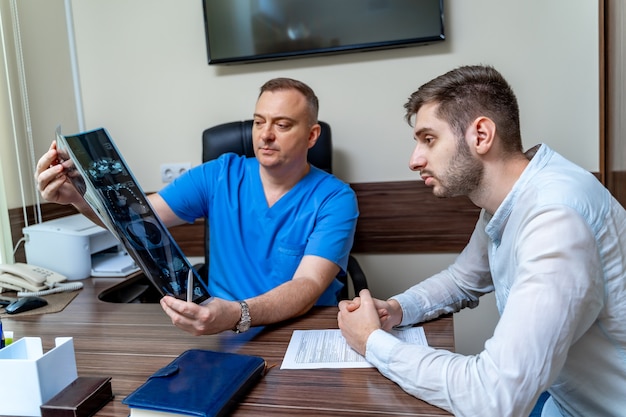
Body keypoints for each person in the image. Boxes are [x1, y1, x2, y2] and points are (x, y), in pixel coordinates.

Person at [337, 65, 626, 416]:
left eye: (428, 139)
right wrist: (396, 310)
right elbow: (463, 279)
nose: (414, 160)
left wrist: (372, 342)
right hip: (563, 403)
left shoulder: (556, 217)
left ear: (481, 135)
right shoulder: (512, 196)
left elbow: (494, 398)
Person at [36, 77, 358, 335]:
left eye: (282, 125)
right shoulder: (219, 175)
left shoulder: (335, 198)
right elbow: (136, 222)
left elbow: (308, 285)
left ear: (312, 136)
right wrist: (77, 198)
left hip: (302, 332)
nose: (265, 135)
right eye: (259, 122)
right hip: (223, 331)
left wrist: (238, 313)